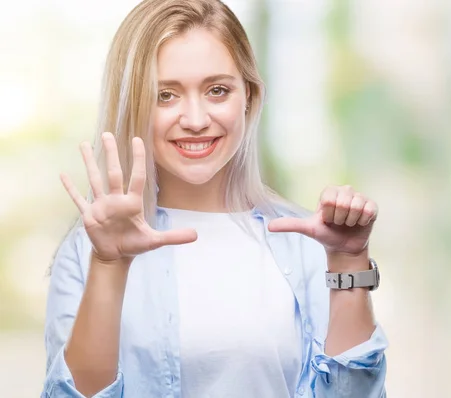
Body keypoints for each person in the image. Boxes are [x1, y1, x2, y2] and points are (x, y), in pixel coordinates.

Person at [42, 0, 388, 397]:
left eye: (217, 90)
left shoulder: (309, 243)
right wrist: (110, 264)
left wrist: (348, 262)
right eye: (165, 95)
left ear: (249, 97)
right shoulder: (87, 252)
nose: (195, 119)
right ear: (133, 103)